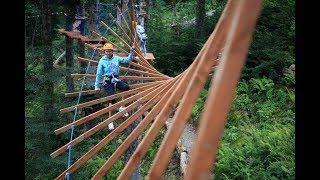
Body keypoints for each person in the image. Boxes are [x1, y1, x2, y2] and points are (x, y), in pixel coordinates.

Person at [94, 43, 134, 130]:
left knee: (126, 88)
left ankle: (122, 107)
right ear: (104, 52)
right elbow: (99, 74)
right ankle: (110, 121)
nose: (108, 53)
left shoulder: (116, 58)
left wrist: (131, 52)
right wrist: (97, 85)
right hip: (108, 80)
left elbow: (127, 60)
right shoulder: (102, 61)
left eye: (109, 51)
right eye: (106, 51)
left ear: (112, 51)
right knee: (111, 99)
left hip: (115, 79)